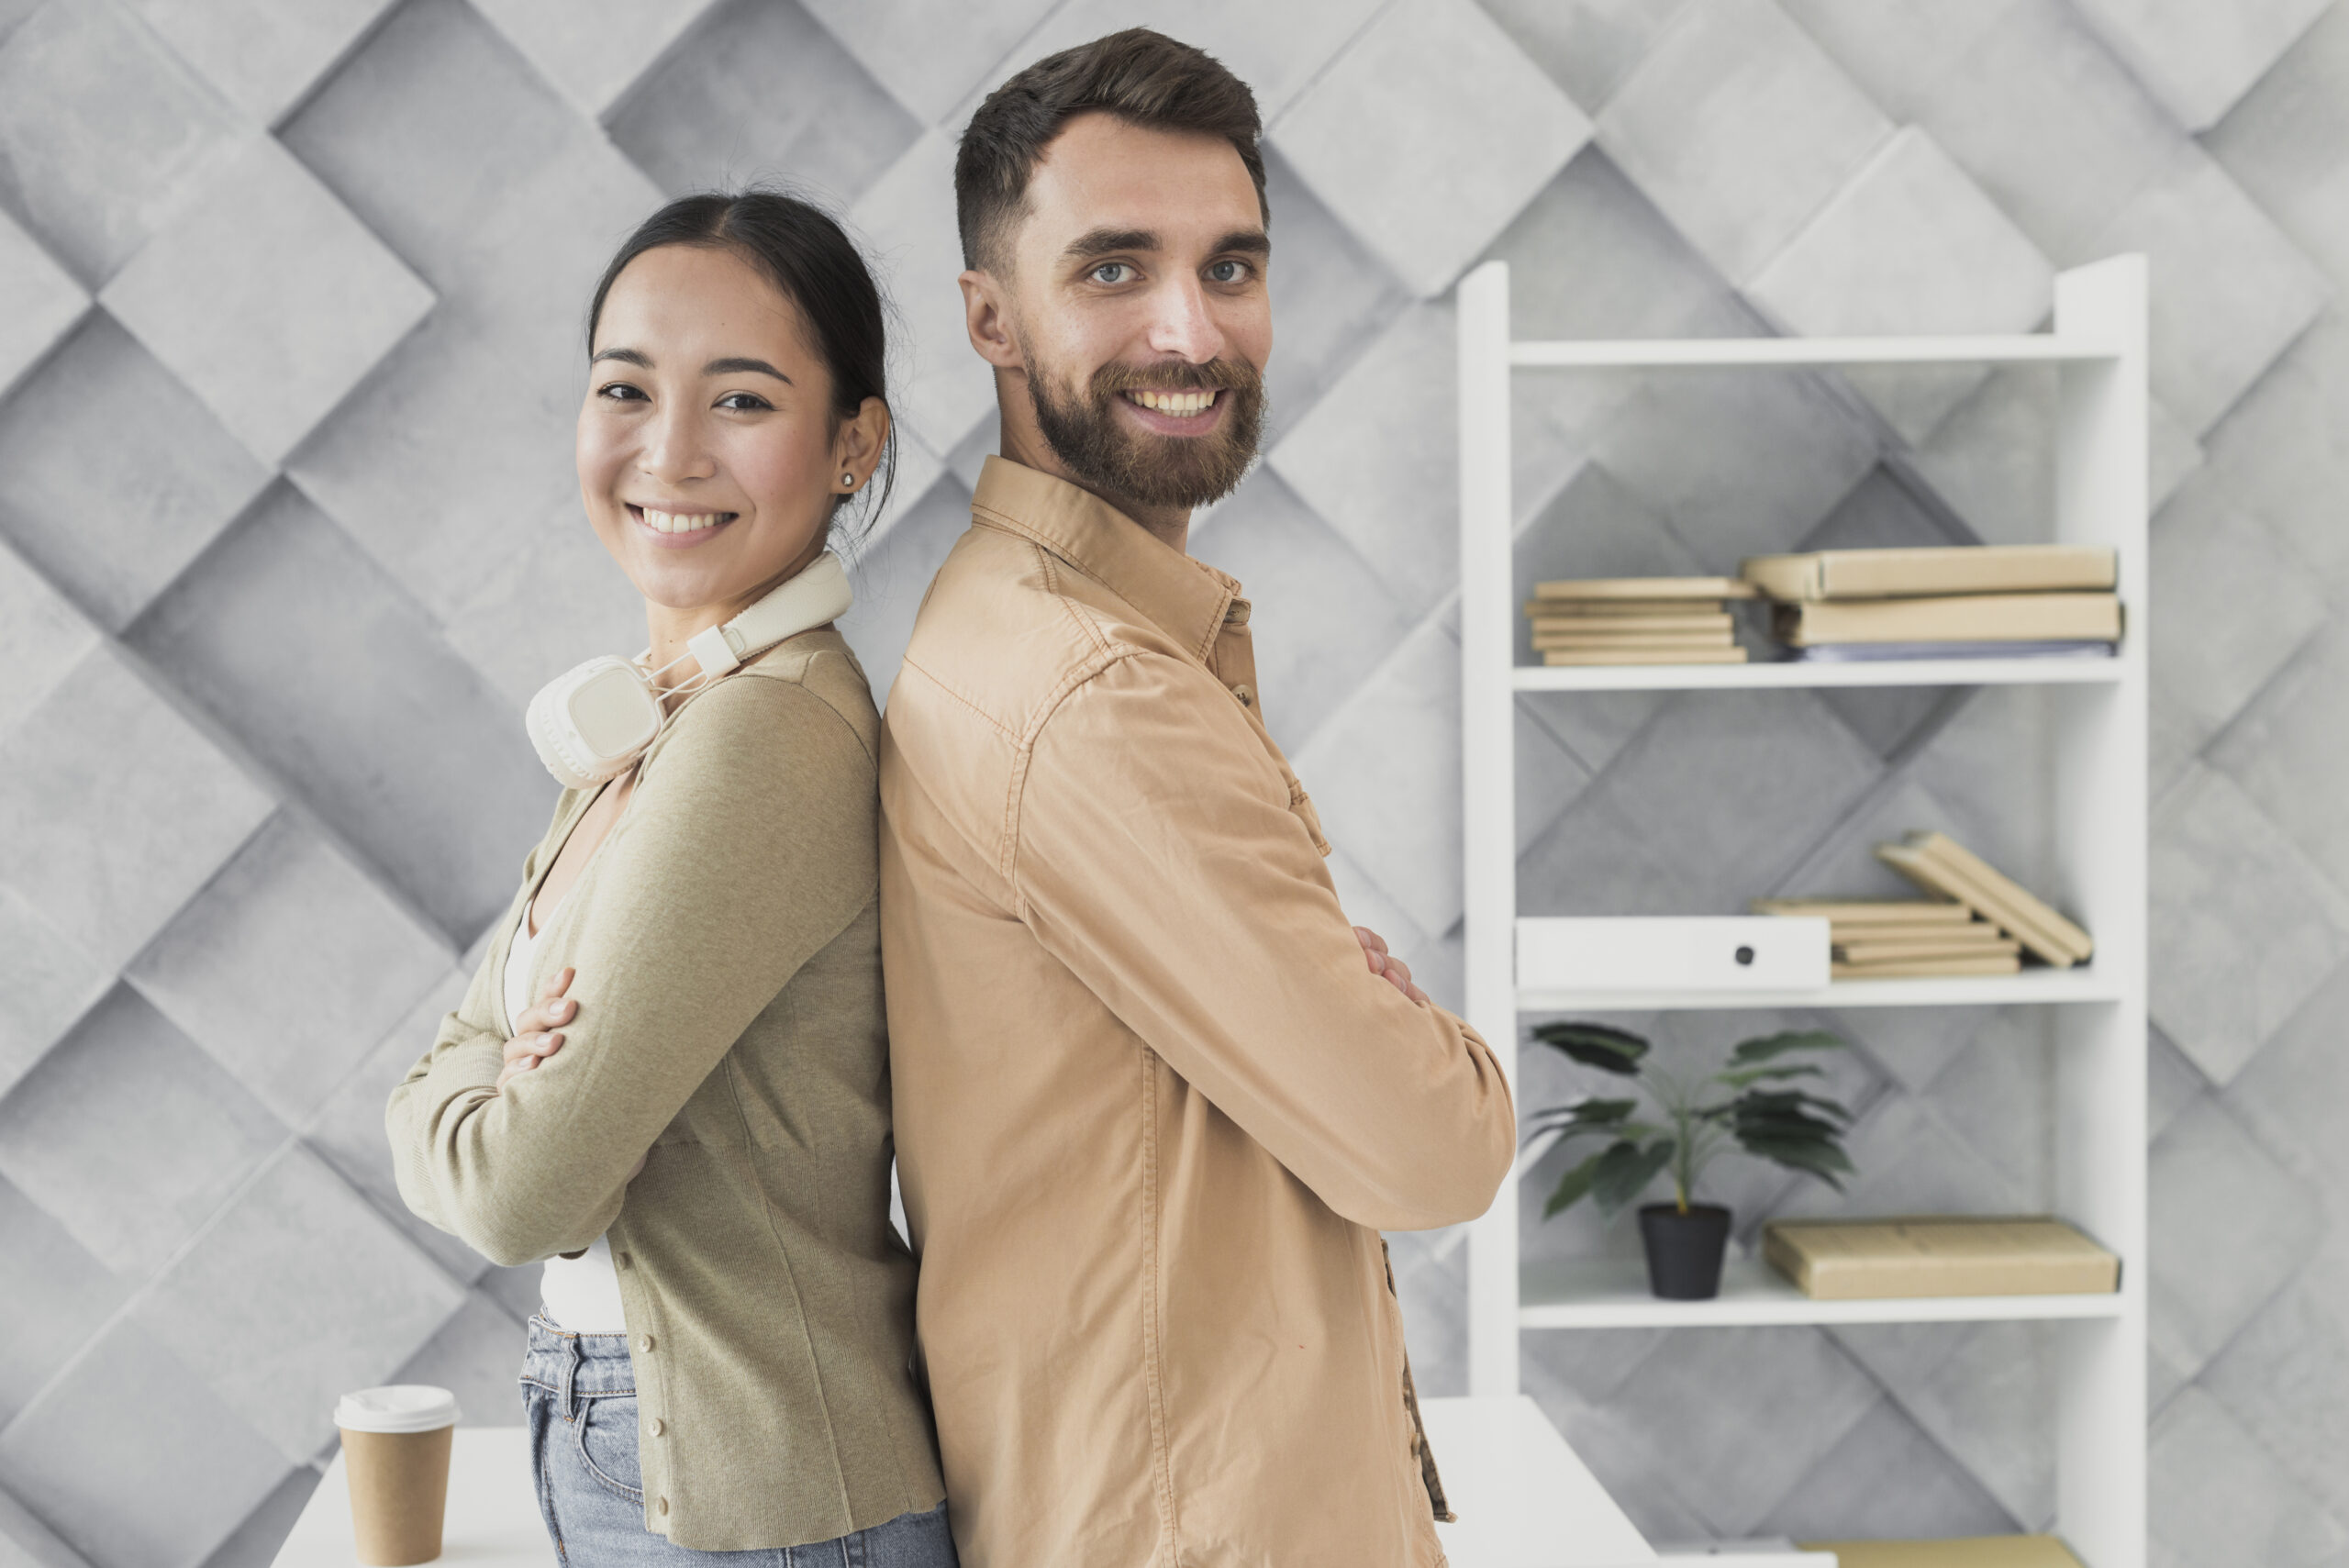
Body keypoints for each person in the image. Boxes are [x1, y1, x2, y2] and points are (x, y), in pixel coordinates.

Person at [877, 29, 1517, 1568]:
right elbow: (1434, 1150)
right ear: (991, 317)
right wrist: (1429, 1054)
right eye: (1112, 270)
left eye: (1232, 267)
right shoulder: (1094, 694)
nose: (1191, 326)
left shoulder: (1030, 629)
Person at [385, 191, 954, 1565]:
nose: (670, 450)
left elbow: (527, 1188)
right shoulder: (660, 720)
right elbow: (476, 1078)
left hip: (761, 1491)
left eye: (743, 400)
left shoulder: (764, 736)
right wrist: (476, 1088)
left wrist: (458, 1100)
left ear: (852, 443)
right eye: (625, 388)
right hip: (678, 1461)